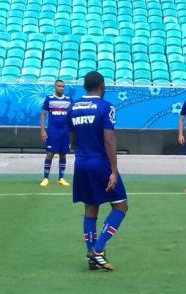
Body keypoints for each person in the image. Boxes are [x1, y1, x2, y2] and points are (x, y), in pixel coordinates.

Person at [69, 71, 128, 271]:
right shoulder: (106, 107)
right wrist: (113, 170)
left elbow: (73, 140)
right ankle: (99, 249)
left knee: (90, 208)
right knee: (121, 206)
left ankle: (91, 257)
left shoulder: (74, 106)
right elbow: (109, 139)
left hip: (81, 162)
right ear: (102, 86)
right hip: (100, 163)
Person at [40, 79, 72, 187]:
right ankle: (45, 178)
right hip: (53, 131)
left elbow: (73, 114)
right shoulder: (49, 99)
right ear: (55, 87)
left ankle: (61, 178)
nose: (61, 88)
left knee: (63, 154)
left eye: (63, 86)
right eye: (59, 86)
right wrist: (43, 130)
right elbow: (43, 114)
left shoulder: (69, 100)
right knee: (50, 154)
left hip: (65, 132)